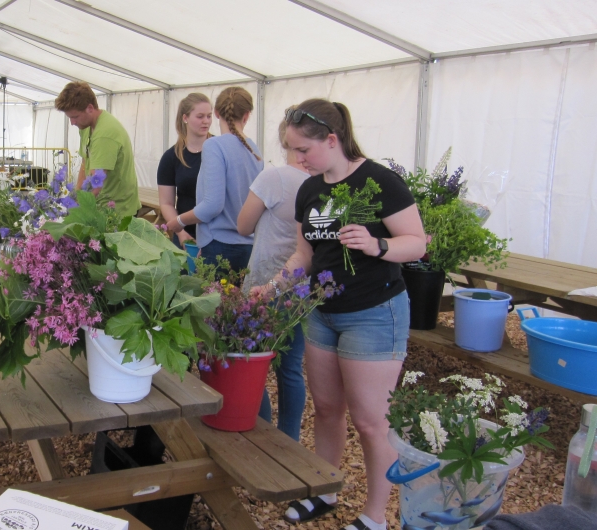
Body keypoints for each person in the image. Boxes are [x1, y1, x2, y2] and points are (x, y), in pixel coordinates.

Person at [256, 99, 426, 530]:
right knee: (328, 409)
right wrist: (272, 289)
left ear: (331, 140)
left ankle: (374, 517)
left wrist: (378, 245)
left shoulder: (381, 181)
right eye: (292, 151)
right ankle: (324, 490)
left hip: (373, 313)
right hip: (323, 313)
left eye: (302, 150)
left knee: (371, 422)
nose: (297, 159)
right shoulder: (309, 190)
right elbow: (304, 254)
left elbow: (417, 243)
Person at [237, 121, 310, 441]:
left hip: (264, 284)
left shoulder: (274, 177)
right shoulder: (322, 182)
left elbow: (243, 225)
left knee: (253, 365)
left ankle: (263, 435)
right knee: (290, 369)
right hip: (302, 286)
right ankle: (289, 440)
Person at [167, 87, 262, 271]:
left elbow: (212, 205)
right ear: (247, 115)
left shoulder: (214, 146)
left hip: (220, 245)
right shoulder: (254, 149)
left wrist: (178, 222)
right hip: (248, 247)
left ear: (217, 113)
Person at [54, 81, 141, 220]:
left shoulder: (104, 135)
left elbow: (95, 185)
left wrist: (74, 213)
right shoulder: (87, 126)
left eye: (75, 117)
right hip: (101, 207)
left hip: (117, 212)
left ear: (90, 108)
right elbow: (85, 163)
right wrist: (76, 195)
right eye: (70, 117)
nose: (72, 123)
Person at [157, 93, 212, 246]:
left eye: (209, 116)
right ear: (185, 118)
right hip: (185, 236)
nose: (206, 121)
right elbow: (166, 203)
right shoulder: (171, 157)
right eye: (200, 116)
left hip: (215, 235)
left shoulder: (219, 151)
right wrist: (180, 232)